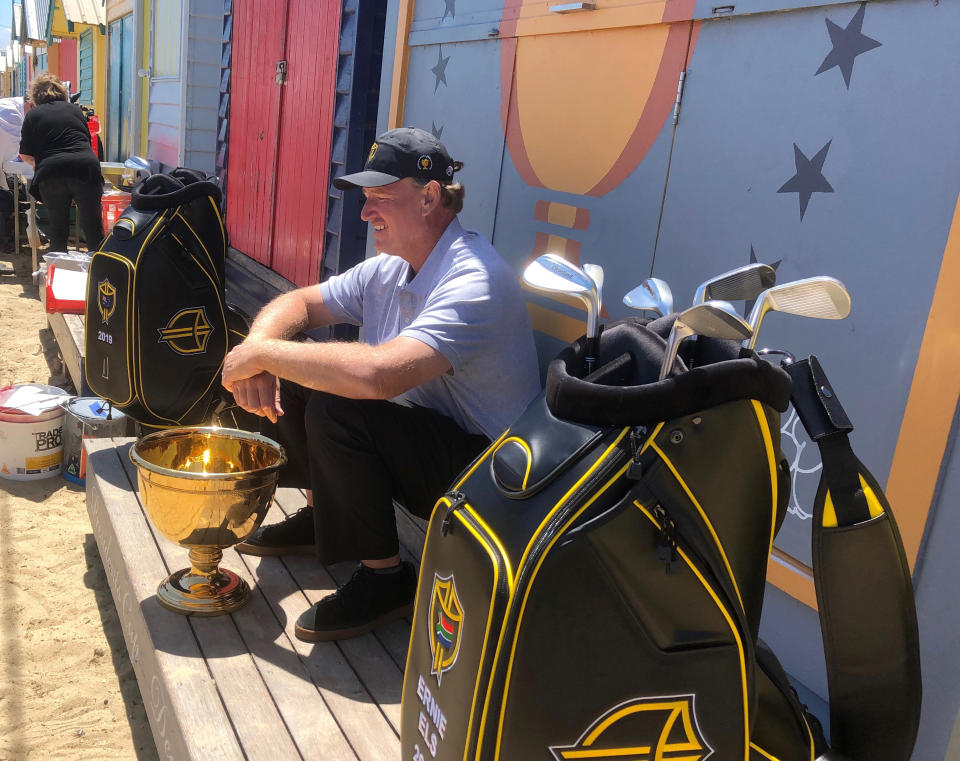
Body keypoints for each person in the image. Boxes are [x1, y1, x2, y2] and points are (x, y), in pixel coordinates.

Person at [222, 126, 541, 642]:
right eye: (365, 199)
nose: (366, 213)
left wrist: (259, 354)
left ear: (430, 196)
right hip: (435, 443)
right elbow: (300, 303)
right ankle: (325, 514)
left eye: (381, 198)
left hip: (490, 484)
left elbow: (378, 376)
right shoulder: (390, 267)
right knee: (299, 369)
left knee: (337, 401)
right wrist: (263, 350)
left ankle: (386, 577)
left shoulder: (472, 279)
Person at [18, 73, 103, 253]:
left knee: (57, 229)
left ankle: (60, 273)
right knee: (93, 227)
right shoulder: (75, 111)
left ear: (35, 95)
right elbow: (85, 142)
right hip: (85, 168)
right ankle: (100, 275)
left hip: (51, 173)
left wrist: (40, 164)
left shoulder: (33, 115)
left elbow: (25, 154)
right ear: (62, 92)